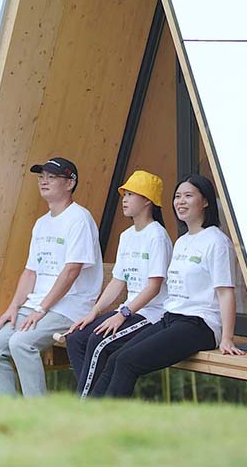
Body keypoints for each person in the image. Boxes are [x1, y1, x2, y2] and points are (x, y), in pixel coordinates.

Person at [85, 173, 243, 398]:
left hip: (199, 324)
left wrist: (226, 337)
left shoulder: (216, 241)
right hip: (171, 318)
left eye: (188, 196)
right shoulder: (182, 241)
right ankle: (88, 419)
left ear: (205, 201)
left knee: (129, 362)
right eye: (177, 196)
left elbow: (225, 292)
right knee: (117, 356)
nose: (180, 201)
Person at [0, 156, 102, 396]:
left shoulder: (79, 218)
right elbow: (30, 271)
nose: (44, 181)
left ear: (70, 183)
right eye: (41, 176)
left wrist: (42, 309)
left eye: (52, 177)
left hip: (69, 307)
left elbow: (71, 270)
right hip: (37, 306)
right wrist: (13, 307)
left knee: (21, 344)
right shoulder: (41, 223)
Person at [62, 169, 173, 398]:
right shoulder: (126, 235)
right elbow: (117, 281)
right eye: (125, 194)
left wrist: (122, 313)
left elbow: (153, 288)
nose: (125, 199)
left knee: (100, 341)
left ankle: (85, 406)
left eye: (131, 194)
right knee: (76, 338)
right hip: (130, 311)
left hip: (153, 314)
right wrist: (94, 312)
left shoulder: (157, 236)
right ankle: (96, 399)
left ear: (147, 201)